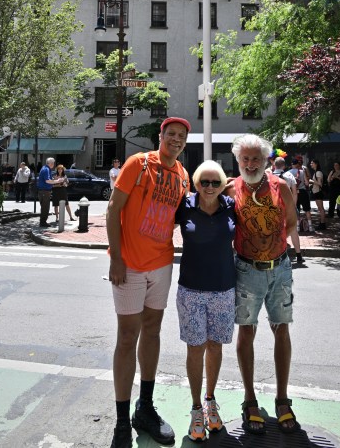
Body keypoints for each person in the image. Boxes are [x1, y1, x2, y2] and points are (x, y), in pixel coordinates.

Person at [106, 117, 191, 448]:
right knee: (127, 337)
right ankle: (120, 422)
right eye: (171, 134)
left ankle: (145, 408)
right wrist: (115, 257)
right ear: (161, 136)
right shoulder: (138, 164)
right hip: (128, 266)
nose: (175, 139)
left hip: (161, 264)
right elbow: (114, 209)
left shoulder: (182, 175)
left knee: (153, 332)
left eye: (181, 136)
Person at [225, 134, 299, 435]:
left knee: (281, 328)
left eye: (256, 158)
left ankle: (282, 399)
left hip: (279, 268)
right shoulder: (230, 189)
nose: (251, 163)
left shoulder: (281, 187)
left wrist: (287, 248)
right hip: (246, 269)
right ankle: (250, 399)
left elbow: (291, 222)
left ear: (267, 160)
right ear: (238, 160)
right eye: (246, 159)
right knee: (246, 331)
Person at [175, 160, 236, 441]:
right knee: (195, 348)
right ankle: (196, 408)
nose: (209, 187)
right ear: (196, 184)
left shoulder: (231, 206)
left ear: (222, 184)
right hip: (191, 290)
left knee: (215, 346)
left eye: (215, 182)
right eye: (204, 182)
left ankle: (211, 401)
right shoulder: (184, 206)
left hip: (223, 289)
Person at [273, 157, 304, 264]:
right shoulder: (289, 175)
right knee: (293, 230)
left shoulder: (268, 177)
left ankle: (277, 254)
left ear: (274, 165)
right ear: (284, 166)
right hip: (288, 207)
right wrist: (293, 207)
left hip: (274, 208)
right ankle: (299, 255)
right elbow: (295, 193)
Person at [288, 157, 313, 233]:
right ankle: (310, 226)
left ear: (292, 164)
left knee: (296, 209)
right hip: (303, 192)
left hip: (294, 193)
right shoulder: (302, 172)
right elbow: (307, 183)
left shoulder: (288, 173)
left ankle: (298, 227)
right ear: (297, 164)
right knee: (307, 209)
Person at [37, 157, 62, 227]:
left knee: (44, 207)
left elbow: (48, 180)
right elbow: (47, 181)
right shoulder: (46, 169)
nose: (54, 164)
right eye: (53, 163)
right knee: (45, 207)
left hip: (44, 191)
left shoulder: (45, 168)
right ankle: (43, 222)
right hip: (44, 191)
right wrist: (57, 181)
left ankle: (43, 221)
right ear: (51, 163)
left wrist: (54, 180)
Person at [309, 159, 327, 230]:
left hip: (318, 192)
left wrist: (312, 181)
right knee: (320, 208)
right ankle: (322, 223)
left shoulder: (318, 172)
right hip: (316, 192)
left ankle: (322, 224)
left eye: (312, 163)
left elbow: (320, 184)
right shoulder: (316, 172)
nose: (311, 164)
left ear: (316, 164)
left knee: (321, 209)